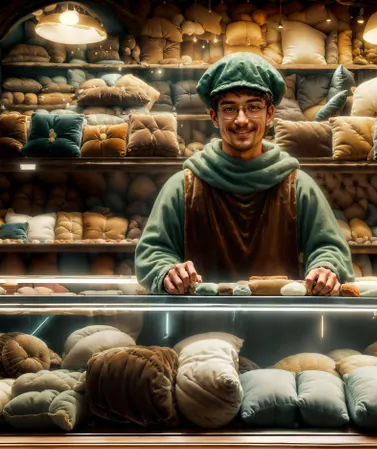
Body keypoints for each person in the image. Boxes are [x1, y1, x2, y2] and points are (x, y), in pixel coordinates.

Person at [135, 52, 353, 296]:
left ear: (269, 115)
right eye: (229, 108)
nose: (241, 120)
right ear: (214, 117)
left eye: (253, 107)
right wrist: (166, 271)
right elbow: (153, 251)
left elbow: (329, 248)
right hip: (201, 325)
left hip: (283, 320)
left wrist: (325, 268)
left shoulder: (297, 186)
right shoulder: (184, 186)